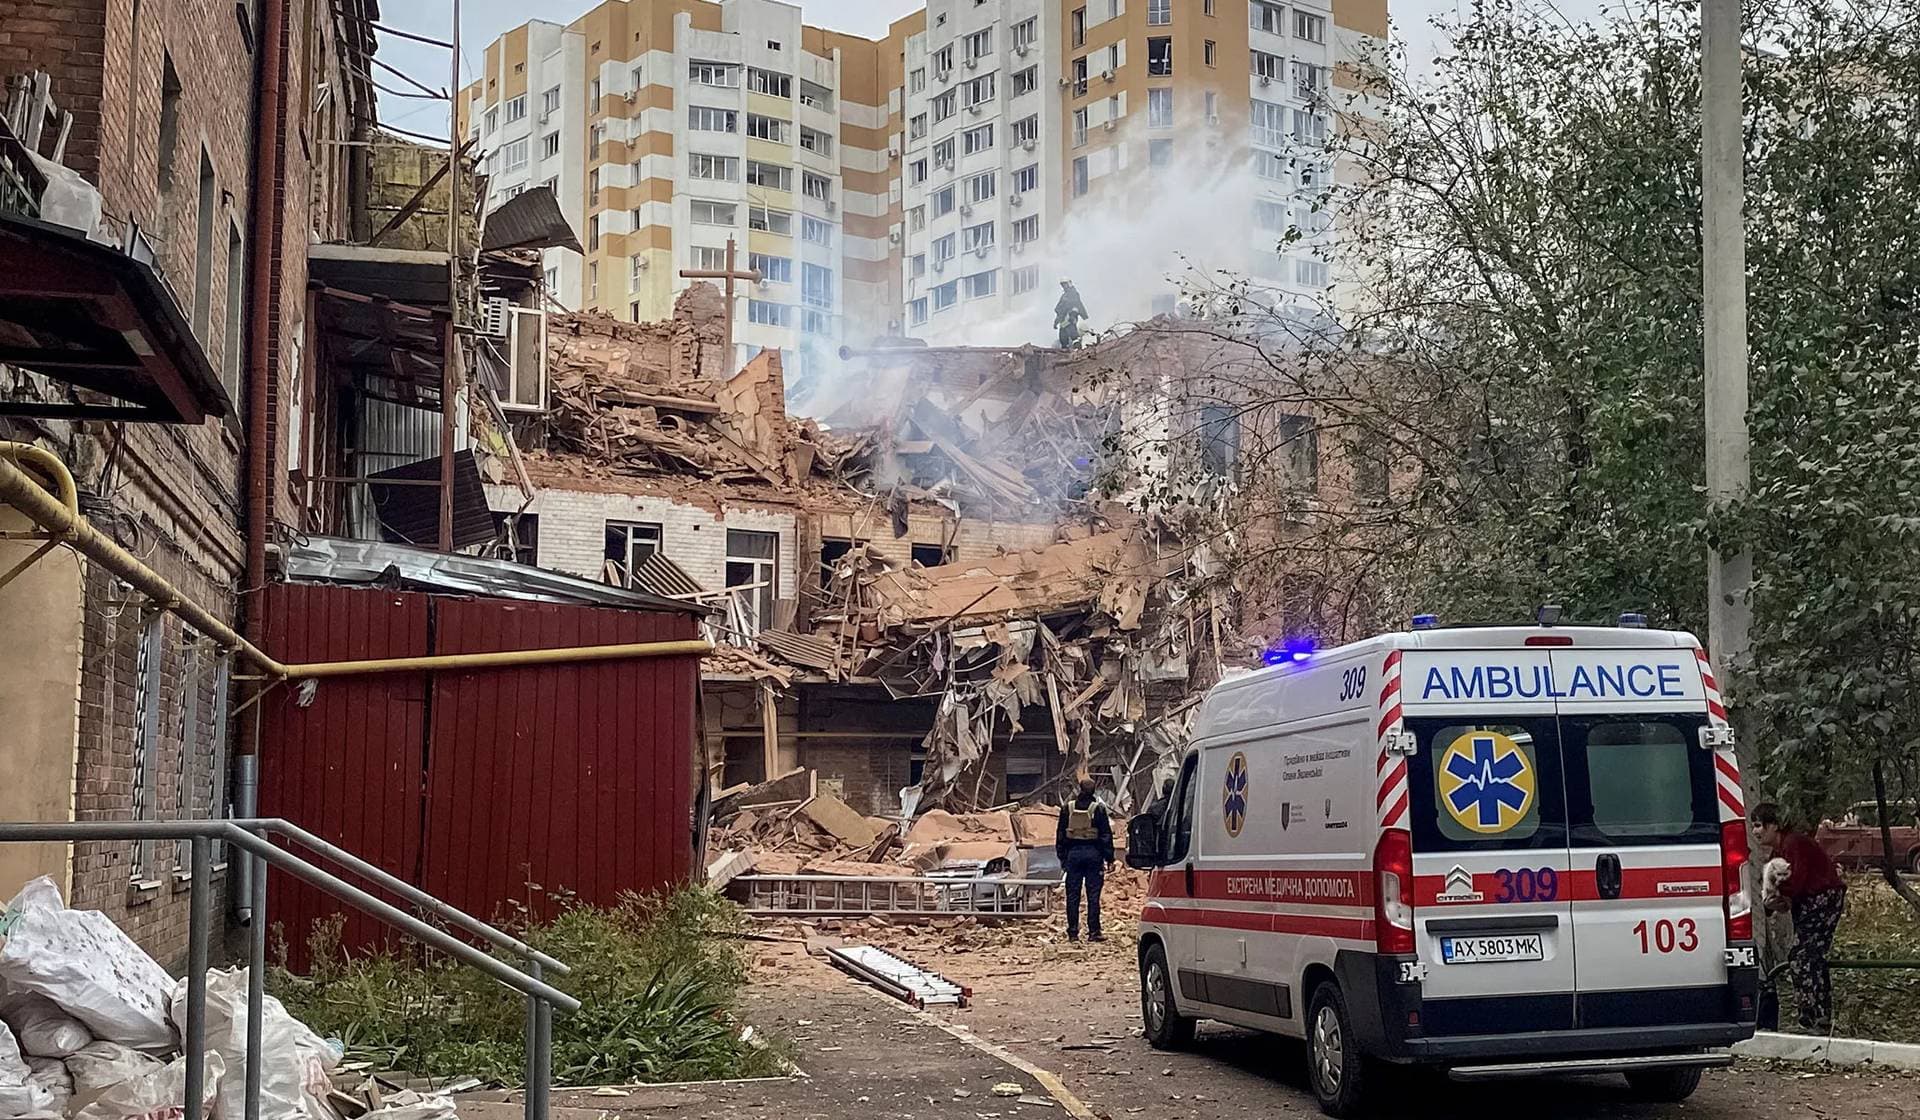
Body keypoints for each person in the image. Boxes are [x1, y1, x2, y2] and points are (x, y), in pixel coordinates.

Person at [1751, 802, 1847, 1032]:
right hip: (1811, 903)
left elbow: (1796, 881)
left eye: (1758, 826)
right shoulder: (1780, 851)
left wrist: (1779, 898)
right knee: (1813, 958)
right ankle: (1820, 1018)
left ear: (1774, 826)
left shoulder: (1793, 844)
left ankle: (1809, 1016)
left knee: (1800, 956)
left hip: (1822, 900)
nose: (1755, 831)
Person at [1056, 776, 1114, 942]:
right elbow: (1105, 835)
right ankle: (1094, 932)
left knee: (1072, 895)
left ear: (1079, 789)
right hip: (1093, 855)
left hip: (1073, 855)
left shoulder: (1068, 808)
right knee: (1093, 895)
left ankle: (1073, 932)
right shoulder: (1099, 809)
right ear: (1094, 791)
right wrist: (1109, 857)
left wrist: (1063, 857)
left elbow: (1060, 834)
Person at [1054, 280, 1089, 350]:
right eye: (1063, 285)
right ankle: (1065, 351)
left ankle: (1078, 350)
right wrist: (1056, 322)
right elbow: (1060, 310)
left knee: (1073, 334)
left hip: (1070, 318)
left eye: (1065, 284)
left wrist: (1073, 315)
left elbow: (1076, 305)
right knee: (1063, 337)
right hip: (1063, 321)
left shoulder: (1073, 294)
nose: (1064, 287)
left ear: (1069, 284)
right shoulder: (1064, 296)